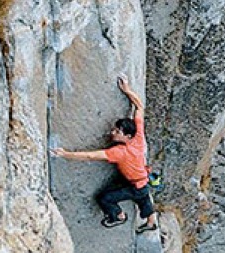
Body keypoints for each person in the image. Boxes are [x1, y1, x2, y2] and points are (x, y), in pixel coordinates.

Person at [53, 75, 157, 234]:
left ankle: (118, 216)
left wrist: (65, 154)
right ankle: (151, 222)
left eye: (117, 132)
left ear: (127, 136)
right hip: (142, 180)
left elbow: (91, 156)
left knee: (105, 198)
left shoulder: (120, 152)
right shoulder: (138, 137)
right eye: (115, 129)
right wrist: (127, 91)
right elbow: (139, 107)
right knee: (143, 197)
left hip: (135, 184)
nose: (113, 132)